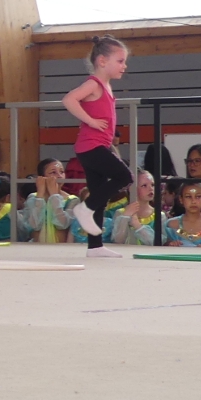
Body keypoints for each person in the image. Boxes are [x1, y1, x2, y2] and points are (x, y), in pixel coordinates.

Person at [60, 35, 133, 258]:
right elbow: (69, 99)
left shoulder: (106, 86)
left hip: (98, 146)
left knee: (100, 194)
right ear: (102, 61)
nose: (124, 66)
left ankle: (95, 246)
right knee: (124, 176)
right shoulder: (94, 84)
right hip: (90, 147)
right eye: (120, 61)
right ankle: (85, 208)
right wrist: (90, 121)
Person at [18, 158, 73, 243]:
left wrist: (54, 196)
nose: (60, 176)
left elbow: (62, 224)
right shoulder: (33, 197)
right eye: (53, 172)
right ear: (42, 177)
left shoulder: (72, 200)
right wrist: (40, 196)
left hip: (62, 248)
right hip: (36, 247)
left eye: (62, 172)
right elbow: (34, 225)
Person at [166, 180, 201, 247]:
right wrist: (171, 246)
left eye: (198, 197)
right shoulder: (171, 225)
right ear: (181, 199)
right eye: (188, 197)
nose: (193, 201)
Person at [106, 171, 156, 246]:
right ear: (131, 188)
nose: (150, 189)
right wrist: (125, 217)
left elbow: (159, 242)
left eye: (152, 185)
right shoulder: (120, 213)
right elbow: (117, 240)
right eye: (144, 185)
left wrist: (138, 225)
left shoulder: (159, 215)